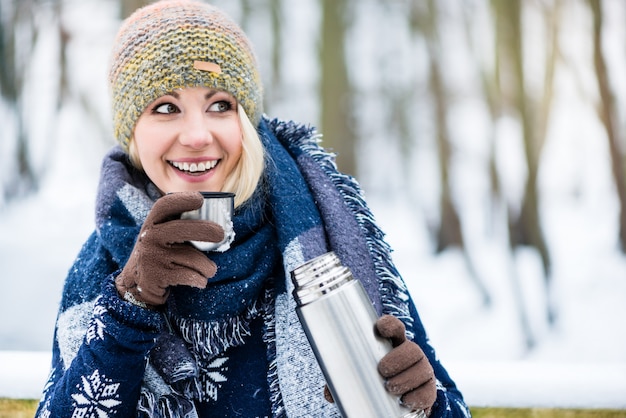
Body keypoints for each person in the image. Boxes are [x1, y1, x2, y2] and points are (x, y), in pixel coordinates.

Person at [35, 1, 471, 417]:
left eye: (220, 105)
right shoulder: (103, 267)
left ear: (246, 122)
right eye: (165, 108)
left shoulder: (334, 236)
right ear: (132, 132)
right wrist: (131, 303)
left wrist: (424, 407)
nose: (197, 135)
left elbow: (447, 407)